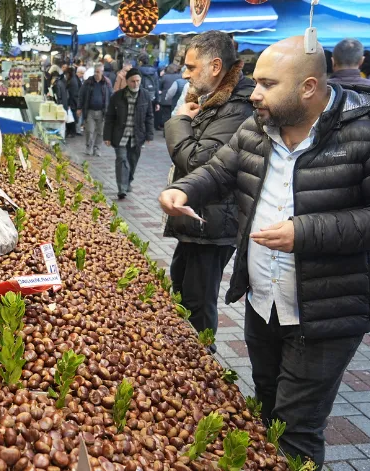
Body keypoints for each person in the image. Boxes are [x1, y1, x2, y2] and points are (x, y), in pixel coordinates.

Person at [158, 36, 370, 468]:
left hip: (327, 309)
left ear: (308, 87)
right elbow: (221, 169)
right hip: (264, 301)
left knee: (296, 427)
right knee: (267, 406)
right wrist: (183, 189)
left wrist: (305, 232)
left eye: (267, 84)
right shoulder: (257, 127)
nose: (255, 93)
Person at [163, 30, 255, 343]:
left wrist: (179, 121)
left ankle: (203, 360)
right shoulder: (213, 101)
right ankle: (187, 352)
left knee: (198, 301)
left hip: (214, 223)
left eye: (191, 67)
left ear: (215, 67)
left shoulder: (238, 107)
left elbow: (197, 161)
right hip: (199, 218)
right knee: (182, 286)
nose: (185, 74)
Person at [104, 68, 154, 199]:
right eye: (133, 81)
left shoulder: (145, 96)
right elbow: (110, 117)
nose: (136, 84)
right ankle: (122, 188)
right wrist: (107, 136)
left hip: (137, 136)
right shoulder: (117, 96)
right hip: (120, 135)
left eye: (138, 81)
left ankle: (128, 181)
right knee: (122, 159)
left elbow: (149, 116)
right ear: (127, 81)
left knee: (132, 161)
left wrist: (149, 134)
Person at [78, 63, 113, 157]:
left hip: (102, 111)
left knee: (101, 132)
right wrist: (79, 108)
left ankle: (97, 148)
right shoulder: (88, 82)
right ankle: (88, 147)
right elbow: (81, 95)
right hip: (90, 111)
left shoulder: (107, 83)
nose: (96, 74)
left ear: (102, 72)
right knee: (89, 130)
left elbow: (111, 96)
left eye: (98, 72)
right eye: (95, 72)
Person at [156, 64, 183, 130]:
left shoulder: (164, 77)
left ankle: (166, 131)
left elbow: (160, 87)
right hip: (176, 100)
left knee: (166, 116)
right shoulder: (180, 76)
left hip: (166, 100)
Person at [64, 68, 79, 138]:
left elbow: (72, 94)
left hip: (72, 102)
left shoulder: (72, 81)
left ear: (68, 74)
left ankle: (72, 132)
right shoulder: (73, 79)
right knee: (71, 117)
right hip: (73, 101)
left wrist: (69, 104)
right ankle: (71, 132)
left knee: (71, 118)